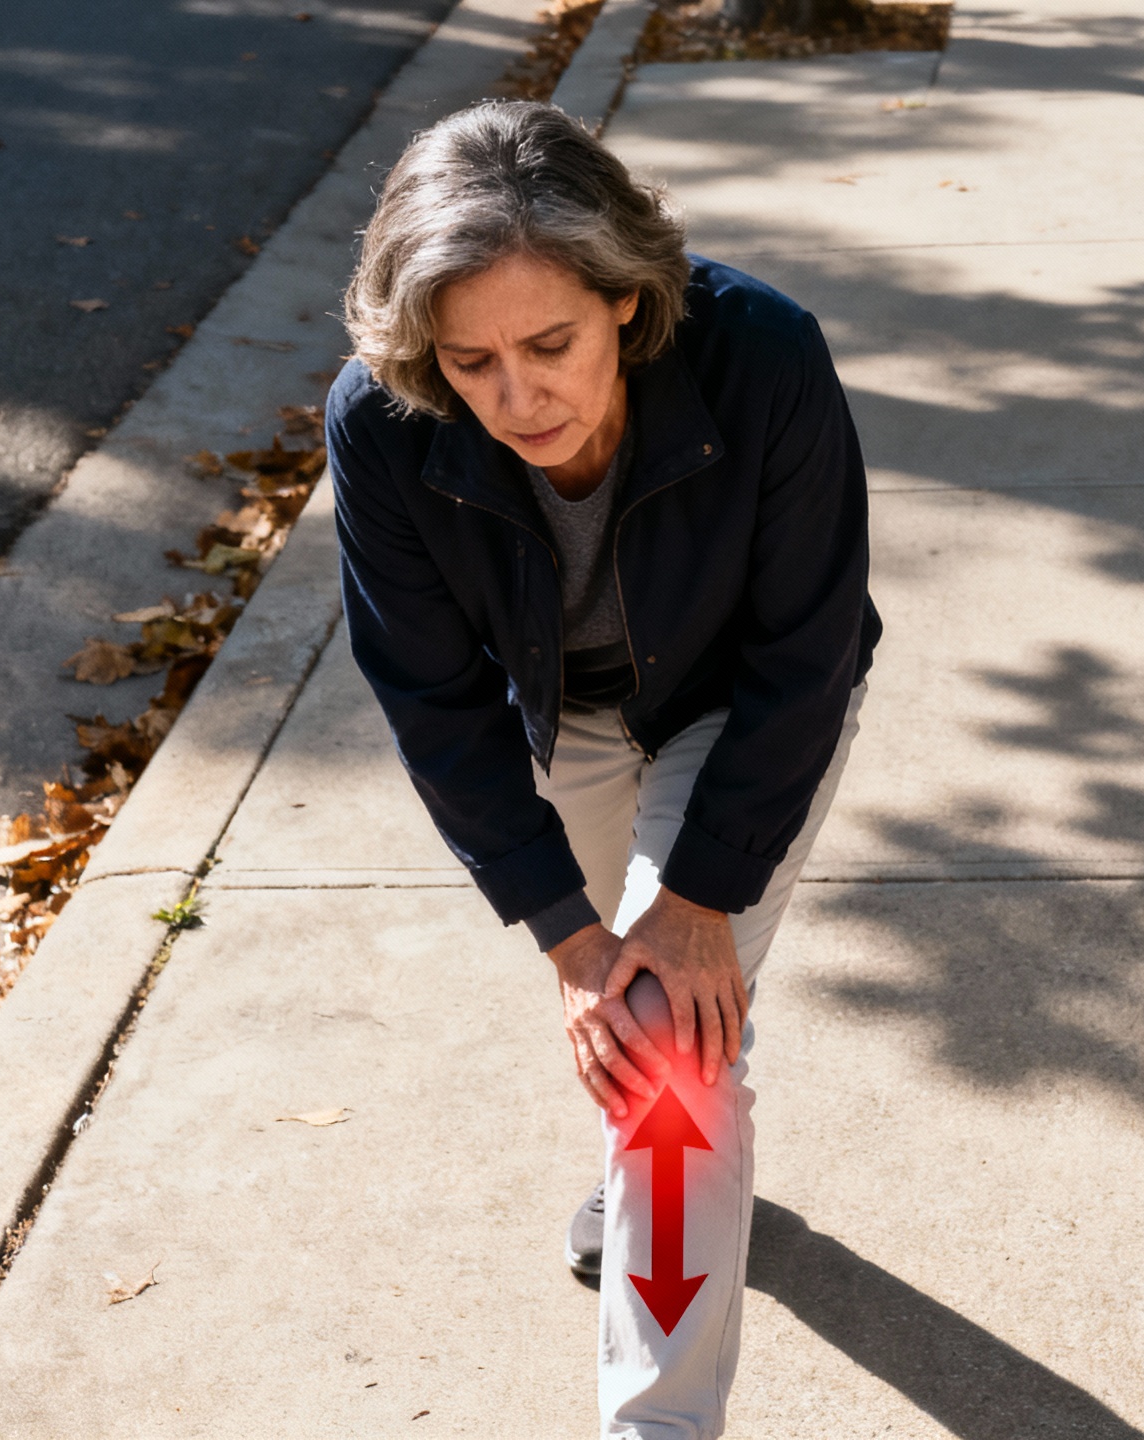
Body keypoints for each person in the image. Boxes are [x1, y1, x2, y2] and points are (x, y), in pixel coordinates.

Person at [326, 99, 881, 1438]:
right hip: (553, 715)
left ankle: (657, 1425)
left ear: (625, 300)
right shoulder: (381, 424)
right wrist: (570, 940)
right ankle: (656, 1192)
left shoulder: (766, 358)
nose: (518, 399)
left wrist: (692, 905)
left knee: (671, 1050)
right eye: (471, 363)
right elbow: (432, 701)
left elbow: (806, 657)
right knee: (622, 988)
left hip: (737, 708)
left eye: (551, 344)